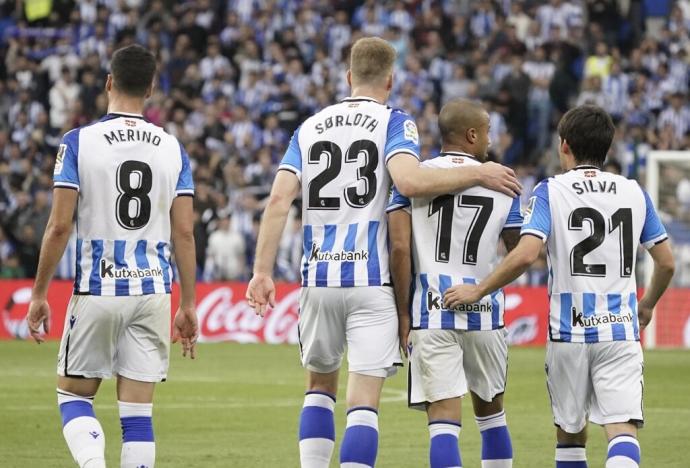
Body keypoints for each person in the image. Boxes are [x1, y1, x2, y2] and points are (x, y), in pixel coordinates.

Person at [245, 36, 521, 468]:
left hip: (318, 278)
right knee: (362, 402)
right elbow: (410, 183)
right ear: (391, 80)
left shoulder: (311, 125)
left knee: (318, 387)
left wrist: (262, 270)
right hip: (370, 282)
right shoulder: (394, 122)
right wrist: (479, 171)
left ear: (349, 77)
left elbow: (279, 200)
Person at [444, 105, 675, 468]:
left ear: (564, 146)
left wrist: (478, 289)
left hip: (569, 332)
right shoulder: (634, 191)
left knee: (569, 434)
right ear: (608, 147)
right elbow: (666, 262)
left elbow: (525, 255)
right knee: (622, 431)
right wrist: (646, 305)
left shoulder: (550, 191)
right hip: (618, 331)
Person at [25, 44, 199, 468]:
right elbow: (185, 232)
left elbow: (59, 225)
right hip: (153, 292)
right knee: (138, 414)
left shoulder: (79, 142)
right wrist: (189, 303)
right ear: (152, 88)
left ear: (108, 82)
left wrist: (39, 294)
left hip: (99, 287)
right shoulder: (173, 149)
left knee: (73, 394)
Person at [387, 98, 521, 468]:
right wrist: (484, 286)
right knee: (492, 415)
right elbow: (519, 252)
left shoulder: (413, 177)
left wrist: (403, 311)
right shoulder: (502, 181)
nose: (491, 140)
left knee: (443, 420)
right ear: (472, 134)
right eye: (489, 132)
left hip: (431, 312)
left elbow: (399, 248)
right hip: (485, 313)